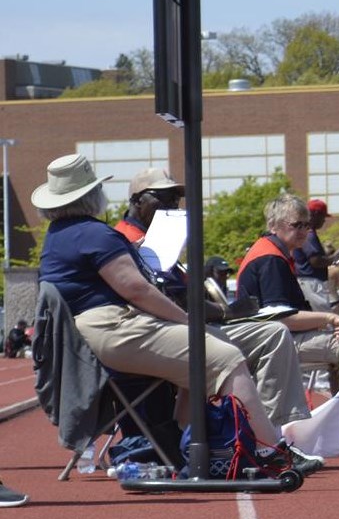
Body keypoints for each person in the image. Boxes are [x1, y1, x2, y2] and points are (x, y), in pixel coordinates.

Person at [31, 154, 302, 461]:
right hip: (111, 330)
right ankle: (267, 451)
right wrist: (185, 320)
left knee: (205, 355)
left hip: (89, 337)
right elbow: (136, 288)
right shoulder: (94, 233)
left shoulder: (58, 236)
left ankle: (186, 448)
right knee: (223, 356)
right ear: (94, 195)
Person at [107, 172, 309, 433]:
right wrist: (228, 312)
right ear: (137, 201)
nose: (173, 205)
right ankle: (271, 433)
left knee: (271, 333)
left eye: (177, 198)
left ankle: (262, 431)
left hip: (182, 329)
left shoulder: (158, 238)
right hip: (164, 335)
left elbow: (182, 296)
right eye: (164, 197)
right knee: (274, 334)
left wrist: (226, 311)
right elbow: (171, 299)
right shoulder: (129, 240)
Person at [236, 192, 339, 455]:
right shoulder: (271, 259)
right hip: (271, 343)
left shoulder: (274, 252)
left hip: (274, 338)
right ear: (274, 225)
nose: (304, 231)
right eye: (296, 225)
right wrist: (329, 317)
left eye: (306, 225)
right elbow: (281, 318)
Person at [292, 198, 335, 312]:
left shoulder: (303, 231)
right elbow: (315, 261)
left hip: (307, 281)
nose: (324, 221)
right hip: (311, 282)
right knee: (324, 320)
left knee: (316, 322)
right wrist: (336, 257)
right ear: (315, 215)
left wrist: (327, 254)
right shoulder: (308, 233)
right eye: (323, 216)